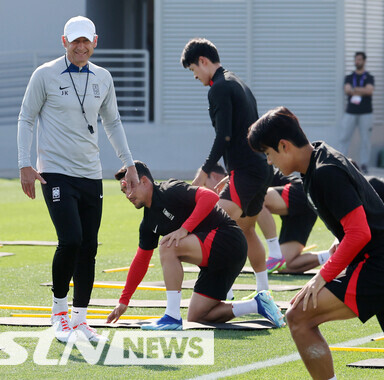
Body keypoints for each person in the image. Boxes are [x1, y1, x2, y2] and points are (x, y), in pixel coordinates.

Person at [17, 16, 139, 342]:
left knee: (88, 247)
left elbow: (112, 123)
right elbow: (26, 118)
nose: (81, 47)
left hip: (91, 173)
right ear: (64, 42)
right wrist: (24, 164)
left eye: (86, 41)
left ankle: (81, 319)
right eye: (75, 42)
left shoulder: (103, 77)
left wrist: (128, 163)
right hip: (55, 171)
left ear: (94, 42)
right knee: (70, 240)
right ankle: (58, 315)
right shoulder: (44, 74)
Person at [248, 106, 384, 379]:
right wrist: (339, 239)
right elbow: (357, 213)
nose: (269, 162)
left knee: (298, 316)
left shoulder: (324, 172)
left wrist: (321, 276)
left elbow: (360, 233)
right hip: (374, 258)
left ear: (284, 145)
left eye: (268, 154)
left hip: (376, 263)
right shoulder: (319, 156)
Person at [106, 161, 285, 329]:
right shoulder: (147, 223)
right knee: (198, 316)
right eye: (123, 191)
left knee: (167, 246)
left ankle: (172, 316)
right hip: (216, 261)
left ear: (144, 181)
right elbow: (141, 261)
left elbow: (209, 196)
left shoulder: (169, 189)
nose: (127, 195)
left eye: (129, 186)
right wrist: (124, 301)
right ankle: (256, 304)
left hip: (228, 240)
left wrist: (184, 229)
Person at [181, 38, 273, 297]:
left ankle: (223, 289)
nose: (195, 76)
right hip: (258, 169)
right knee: (246, 229)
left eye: (193, 70)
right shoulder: (238, 82)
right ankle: (263, 291)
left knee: (210, 225)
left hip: (246, 171)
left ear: (203, 61)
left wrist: (204, 172)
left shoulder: (219, 88)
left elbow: (224, 137)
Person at [339, 52, 374, 174]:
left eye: (359, 59)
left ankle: (364, 164)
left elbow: (369, 91)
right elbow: (347, 90)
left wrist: (355, 89)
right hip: (350, 112)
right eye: (356, 59)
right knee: (344, 137)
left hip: (366, 113)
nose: (357, 62)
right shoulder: (349, 77)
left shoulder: (369, 77)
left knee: (365, 140)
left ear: (364, 61)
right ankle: (341, 163)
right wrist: (361, 90)